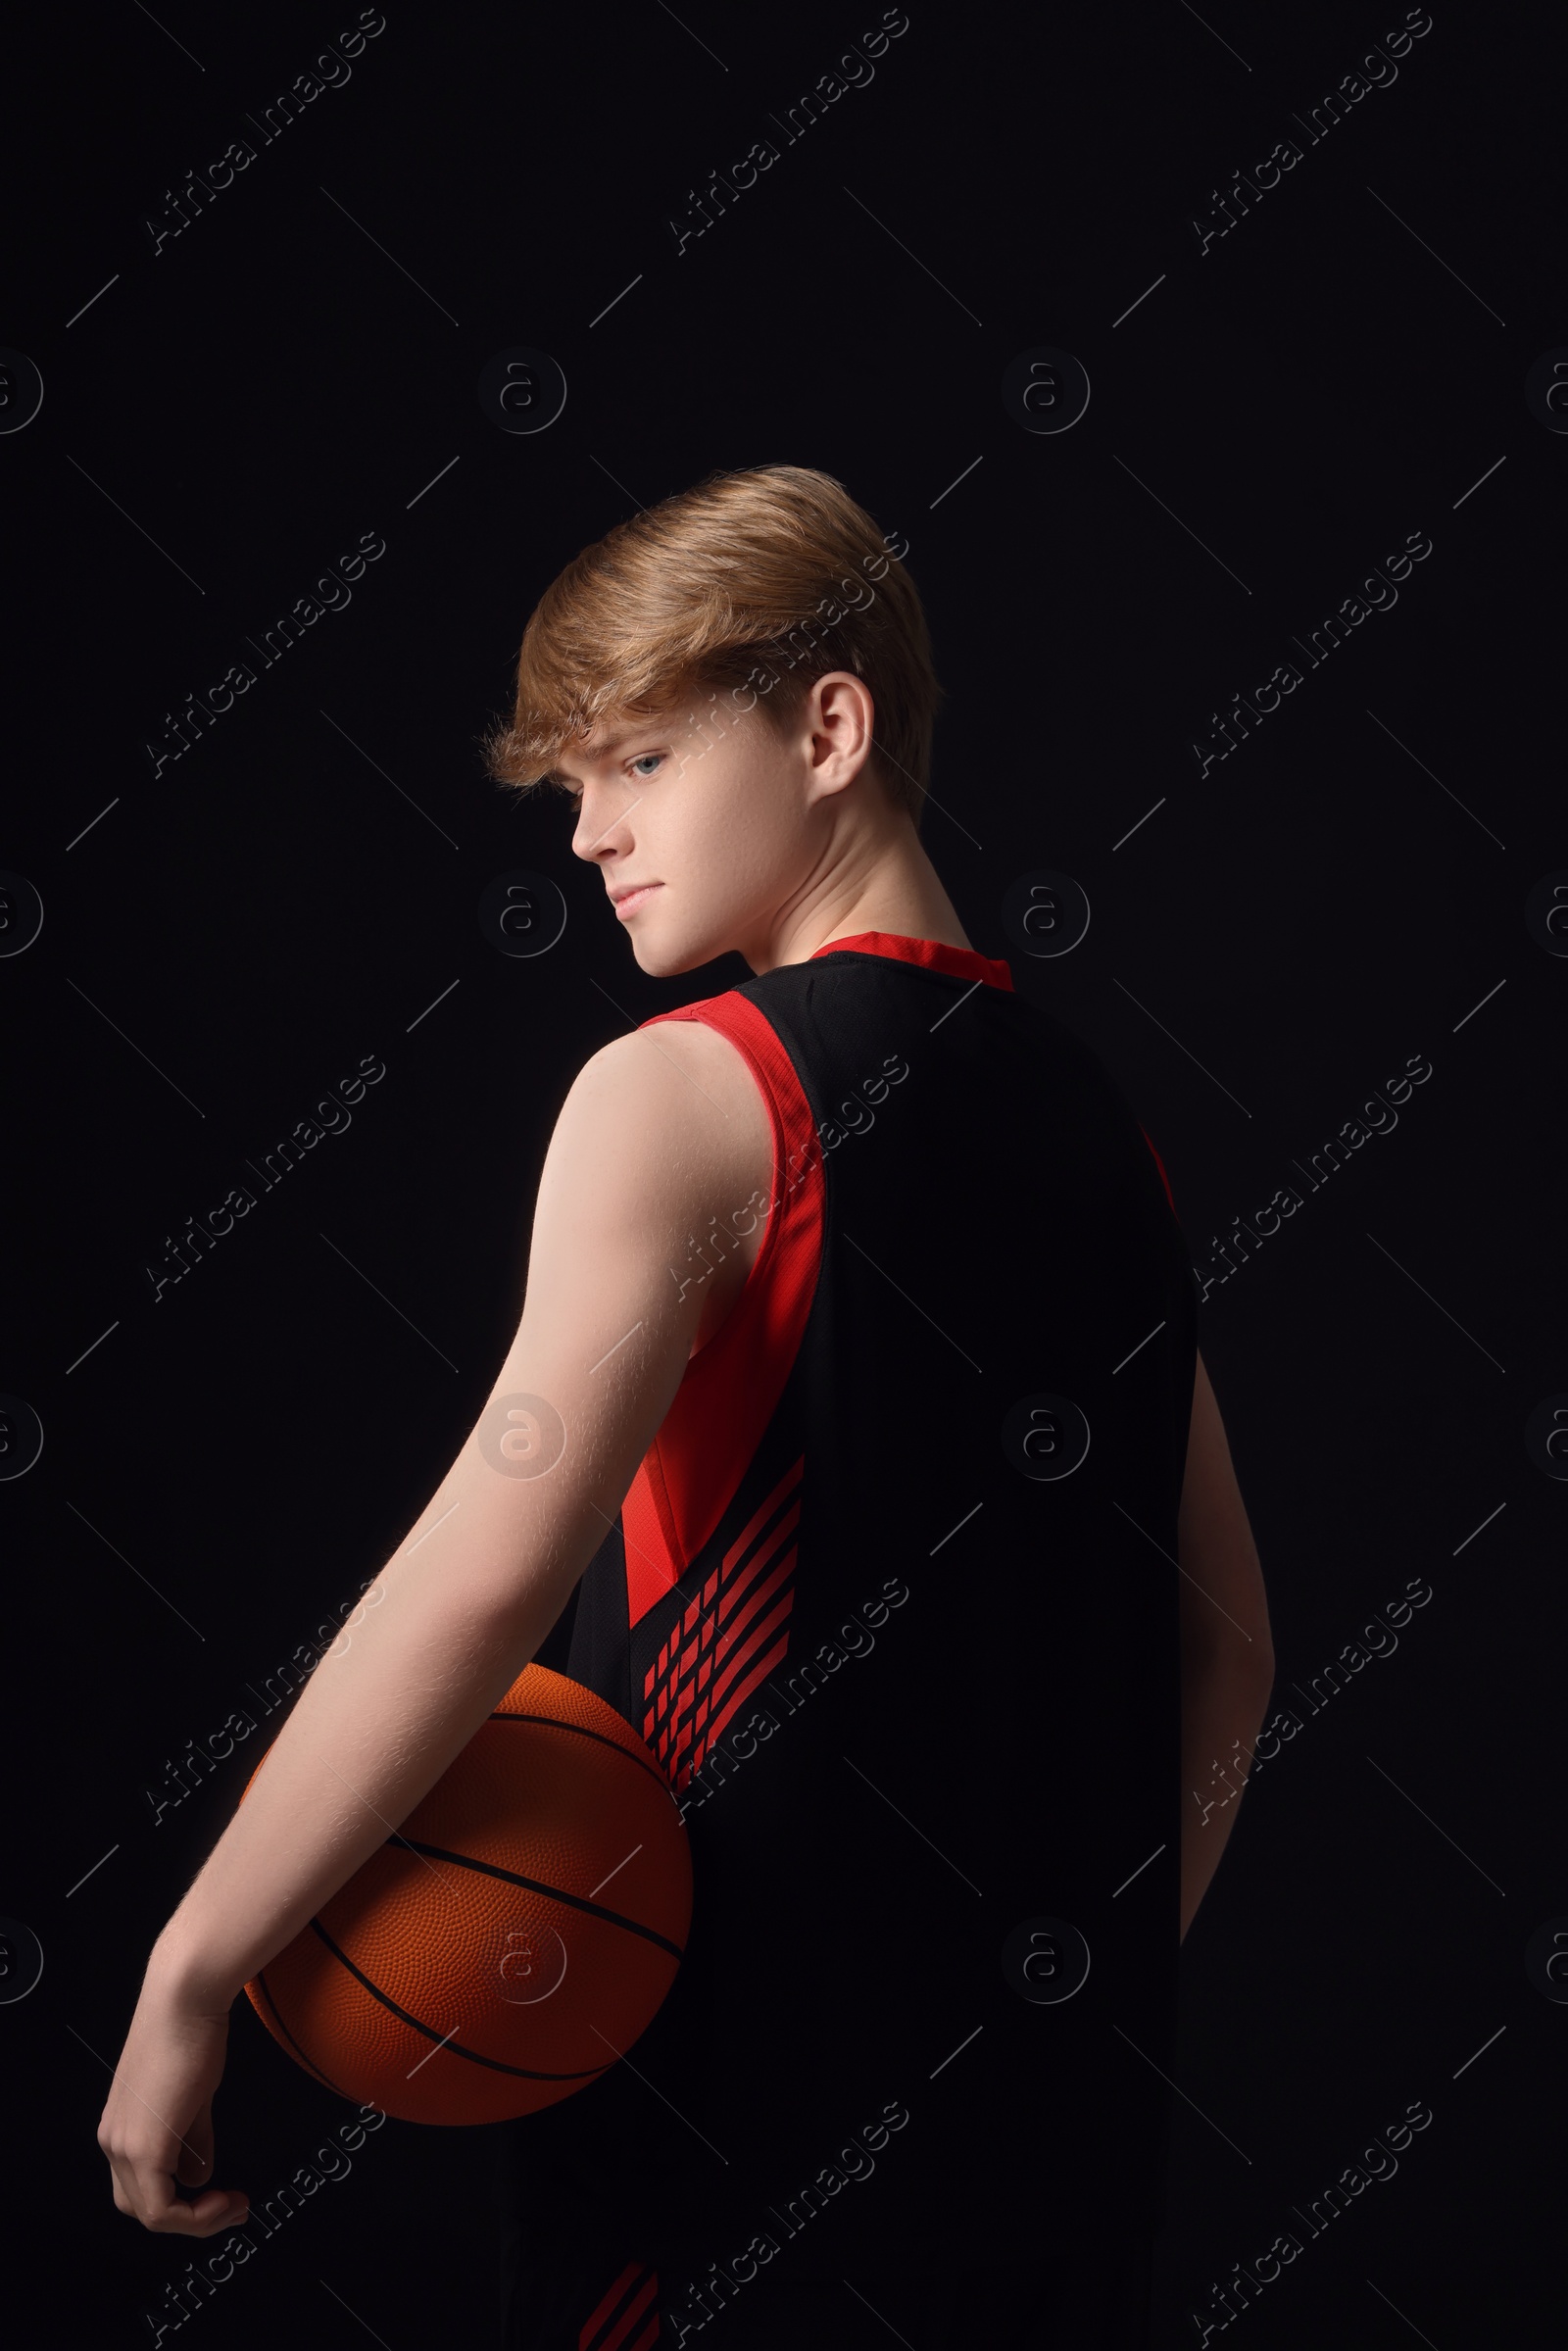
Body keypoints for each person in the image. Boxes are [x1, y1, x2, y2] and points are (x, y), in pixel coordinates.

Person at [98, 465, 1276, 2348]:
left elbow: (489, 1569)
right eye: (573, 785)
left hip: (716, 2132)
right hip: (1048, 2146)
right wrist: (1082, 1986)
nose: (584, 835)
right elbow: (1229, 1651)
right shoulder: (1097, 1125)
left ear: (828, 727)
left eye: (634, 761)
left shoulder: (692, 1092)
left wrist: (196, 1961)